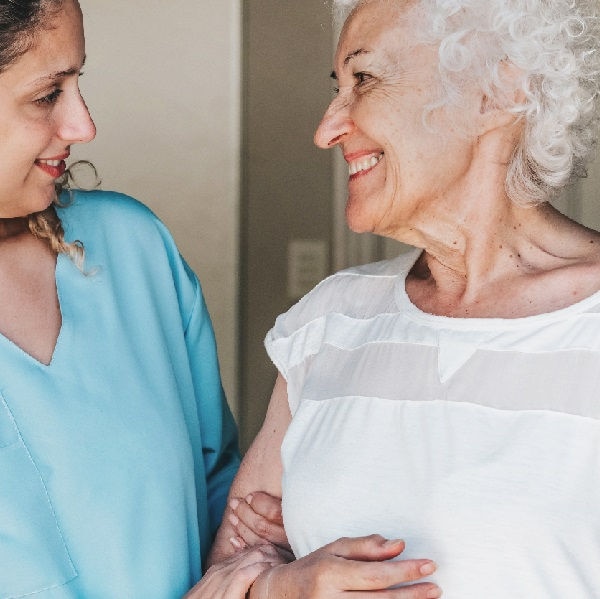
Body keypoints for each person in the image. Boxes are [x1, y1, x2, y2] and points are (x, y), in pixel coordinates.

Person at [211, 0, 600, 597]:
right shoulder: (326, 325)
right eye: (336, 87)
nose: (326, 129)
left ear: (495, 91)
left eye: (364, 79)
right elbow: (224, 581)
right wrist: (276, 587)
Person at [0, 1, 286, 597]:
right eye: (47, 94)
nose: (83, 125)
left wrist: (261, 559)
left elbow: (223, 496)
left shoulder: (134, 249)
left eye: (80, 82)